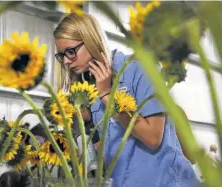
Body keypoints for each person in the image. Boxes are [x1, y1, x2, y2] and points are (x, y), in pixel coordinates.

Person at [53, 13, 199, 187]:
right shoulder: (90, 88)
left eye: (71, 51)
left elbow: (153, 138)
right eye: (62, 55)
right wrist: (83, 149)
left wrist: (108, 97)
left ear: (90, 39)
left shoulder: (140, 68)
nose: (67, 61)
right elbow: (117, 140)